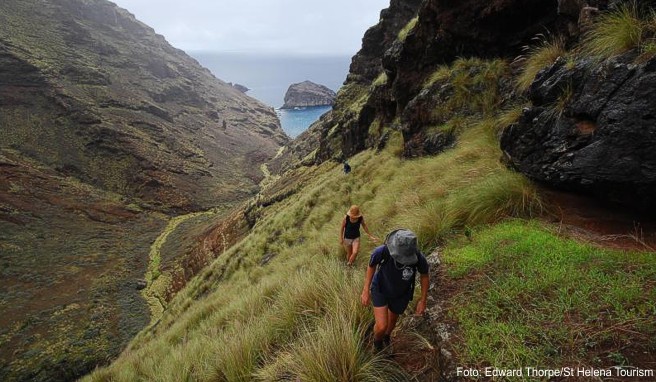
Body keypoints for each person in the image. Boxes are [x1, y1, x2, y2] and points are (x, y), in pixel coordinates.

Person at [360, 229, 430, 352]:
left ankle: (386, 338)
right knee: (382, 326)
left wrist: (423, 300)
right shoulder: (382, 251)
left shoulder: (418, 257)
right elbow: (371, 266)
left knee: (391, 324)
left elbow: (425, 275)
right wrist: (366, 290)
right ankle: (377, 344)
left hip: (401, 294)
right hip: (380, 288)